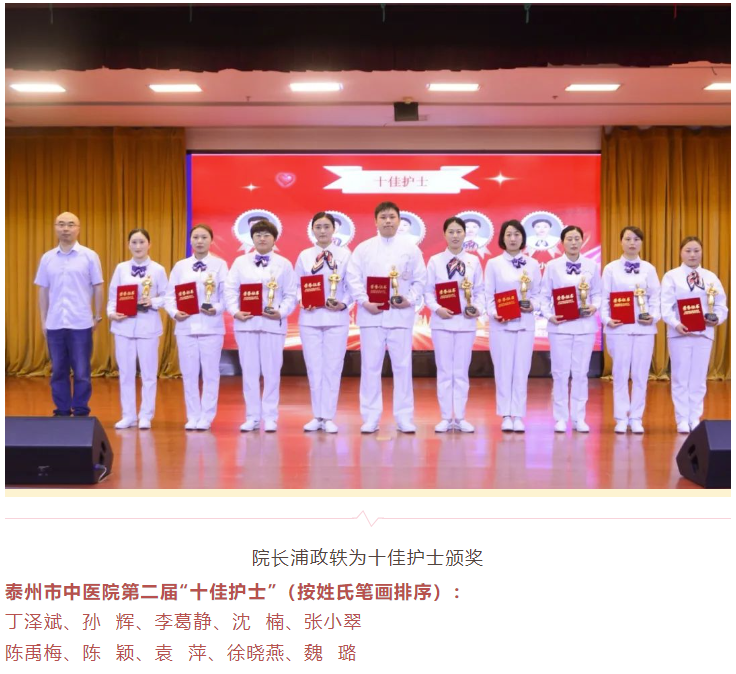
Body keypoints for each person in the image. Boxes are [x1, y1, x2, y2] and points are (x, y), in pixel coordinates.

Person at [346, 201, 427, 433]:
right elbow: (353, 278)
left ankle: (404, 417)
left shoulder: (411, 249)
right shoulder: (363, 248)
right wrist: (364, 302)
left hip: (400, 316)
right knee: (370, 367)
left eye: (392, 217)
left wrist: (409, 299)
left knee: (403, 367)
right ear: (376, 221)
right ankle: (370, 417)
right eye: (383, 217)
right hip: (371, 315)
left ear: (399, 220)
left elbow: (420, 279)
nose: (388, 221)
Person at [225, 219, 297, 432]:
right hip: (246, 323)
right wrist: (235, 311)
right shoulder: (240, 262)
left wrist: (281, 312)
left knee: (272, 372)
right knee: (249, 372)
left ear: (274, 239)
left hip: (272, 324)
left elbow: (291, 294)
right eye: (258, 235)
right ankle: (252, 416)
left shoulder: (284, 264)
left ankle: (270, 416)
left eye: (266, 235)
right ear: (252, 239)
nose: (262, 238)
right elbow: (230, 290)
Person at [34, 211, 104, 417]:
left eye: (71, 224)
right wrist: (43, 320)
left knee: (82, 371)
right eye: (61, 224)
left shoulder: (89, 256)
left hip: (81, 322)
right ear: (55, 228)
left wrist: (97, 316)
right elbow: (43, 290)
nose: (66, 228)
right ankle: (62, 410)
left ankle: (81, 410)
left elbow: (98, 286)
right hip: (55, 323)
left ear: (78, 229)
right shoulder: (47, 258)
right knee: (58, 371)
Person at [165, 224, 228, 431]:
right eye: (195, 237)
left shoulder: (220, 265)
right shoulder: (180, 266)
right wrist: (175, 312)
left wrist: (216, 308)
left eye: (204, 237)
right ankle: (192, 415)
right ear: (190, 240)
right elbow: (169, 296)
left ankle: (207, 416)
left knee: (210, 374)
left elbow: (226, 296)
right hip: (186, 326)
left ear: (211, 240)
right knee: (189, 374)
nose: (199, 241)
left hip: (211, 327)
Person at [661, 236, 728, 433]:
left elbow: (721, 305)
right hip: (679, 334)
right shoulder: (671, 276)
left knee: (698, 378)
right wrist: (676, 324)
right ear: (680, 252)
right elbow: (665, 306)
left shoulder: (710, 277)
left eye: (696, 251)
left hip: (704, 334)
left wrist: (716, 319)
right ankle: (682, 418)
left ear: (702, 252)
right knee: (680, 377)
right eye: (688, 251)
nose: (692, 255)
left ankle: (695, 417)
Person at [424, 216, 484, 433]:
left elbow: (480, 291)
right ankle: (444, 417)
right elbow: (428, 291)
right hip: (442, 322)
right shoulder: (435, 261)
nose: (455, 235)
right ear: (444, 234)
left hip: (465, 323)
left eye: (459, 231)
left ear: (465, 234)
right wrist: (437, 308)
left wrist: (476, 308)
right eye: (451, 231)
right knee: (444, 370)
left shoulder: (473, 261)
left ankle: (460, 416)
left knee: (460, 371)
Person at [294, 212, 352, 433]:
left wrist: (343, 304)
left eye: (327, 226)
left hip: (336, 319)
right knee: (314, 367)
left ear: (334, 229)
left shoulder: (345, 255)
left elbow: (352, 286)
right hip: (310, 318)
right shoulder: (304, 255)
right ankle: (316, 415)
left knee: (333, 367)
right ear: (312, 230)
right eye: (318, 226)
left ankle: (328, 416)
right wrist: (303, 300)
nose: (322, 231)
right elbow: (296, 285)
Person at [540, 225, 601, 433]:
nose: (573, 242)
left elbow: (598, 293)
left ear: (582, 241)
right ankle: (560, 417)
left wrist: (594, 306)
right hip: (560, 327)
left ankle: (578, 417)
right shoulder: (552, 266)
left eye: (577, 238)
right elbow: (544, 295)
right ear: (562, 242)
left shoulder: (592, 265)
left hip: (585, 327)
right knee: (560, 373)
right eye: (569, 238)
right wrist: (549, 315)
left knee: (581, 373)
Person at [107, 228, 169, 430]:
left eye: (142, 242)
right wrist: (111, 313)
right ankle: (128, 415)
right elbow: (113, 297)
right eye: (134, 242)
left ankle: (146, 415)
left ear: (149, 244)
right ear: (128, 245)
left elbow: (167, 296)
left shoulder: (158, 269)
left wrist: (152, 301)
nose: (138, 246)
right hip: (123, 326)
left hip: (147, 326)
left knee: (149, 374)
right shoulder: (121, 268)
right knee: (125, 373)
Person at [600, 227, 660, 434]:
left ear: (641, 242)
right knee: (620, 373)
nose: (632, 243)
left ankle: (636, 417)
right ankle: (620, 417)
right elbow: (604, 298)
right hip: (619, 329)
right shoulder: (610, 269)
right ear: (621, 242)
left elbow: (656, 297)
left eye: (636, 239)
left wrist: (654, 316)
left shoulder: (649, 269)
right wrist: (607, 319)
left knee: (640, 375)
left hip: (644, 329)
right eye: (628, 239)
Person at [485, 219, 542, 432]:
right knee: (503, 370)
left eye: (517, 234)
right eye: (508, 234)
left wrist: (532, 305)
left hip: (525, 325)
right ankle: (505, 415)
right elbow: (488, 295)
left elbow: (538, 294)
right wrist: (495, 313)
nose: (512, 238)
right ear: (502, 238)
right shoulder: (493, 264)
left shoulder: (533, 264)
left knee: (521, 371)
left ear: (523, 238)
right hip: (501, 325)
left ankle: (518, 414)